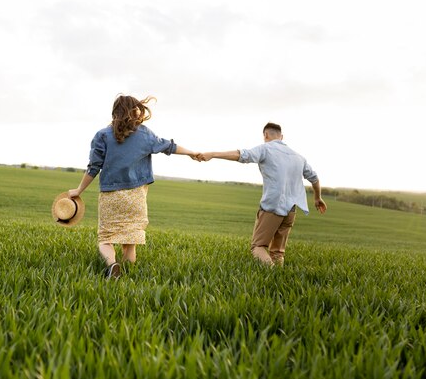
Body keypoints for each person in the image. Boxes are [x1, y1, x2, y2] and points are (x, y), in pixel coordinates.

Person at [68, 94, 199, 279]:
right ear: (135, 111)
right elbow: (169, 146)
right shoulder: (145, 134)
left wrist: (78, 190)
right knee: (130, 241)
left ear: (114, 112)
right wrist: (192, 152)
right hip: (136, 196)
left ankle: (112, 265)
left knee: (105, 238)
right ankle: (128, 276)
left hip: (111, 196)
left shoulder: (102, 135)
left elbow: (93, 168)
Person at [197, 122, 326, 266]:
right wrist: (317, 198)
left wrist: (213, 154)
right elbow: (314, 178)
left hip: (272, 207)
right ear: (281, 137)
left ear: (265, 135)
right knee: (277, 252)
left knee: (258, 247)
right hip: (291, 210)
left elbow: (242, 155)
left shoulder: (266, 149)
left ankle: (270, 274)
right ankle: (277, 280)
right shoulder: (299, 157)